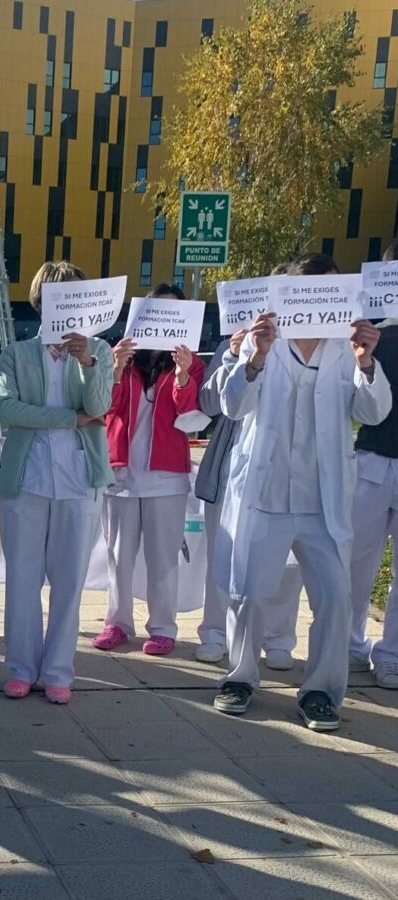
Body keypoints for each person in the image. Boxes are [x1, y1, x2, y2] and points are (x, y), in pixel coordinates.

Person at [215, 253, 389, 731]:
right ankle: (240, 678)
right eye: (314, 287)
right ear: (289, 292)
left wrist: (367, 363)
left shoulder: (346, 346)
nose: (323, 296)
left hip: (321, 499)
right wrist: (255, 356)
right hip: (265, 494)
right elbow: (231, 406)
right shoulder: (262, 339)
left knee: (336, 598)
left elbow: (373, 412)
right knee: (248, 592)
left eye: (332, 288)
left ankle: (320, 692)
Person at [0, 261, 114, 704]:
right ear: (42, 301)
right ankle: (21, 667)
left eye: (77, 297)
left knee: (69, 582)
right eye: (58, 297)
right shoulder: (19, 353)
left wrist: (87, 363)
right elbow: (7, 409)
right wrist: (68, 419)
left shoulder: (97, 349)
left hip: (79, 481)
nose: (67, 307)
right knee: (23, 580)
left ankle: (59, 670)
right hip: (27, 479)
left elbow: (99, 406)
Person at [94, 283, 205, 657]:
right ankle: (117, 621)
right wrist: (114, 368)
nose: (165, 318)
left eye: (174, 311)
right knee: (118, 554)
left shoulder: (192, 361)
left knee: (163, 557)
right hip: (122, 471)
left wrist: (183, 375)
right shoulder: (122, 357)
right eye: (159, 310)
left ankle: (162, 627)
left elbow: (188, 415)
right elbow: (104, 406)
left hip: (167, 474)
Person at [194, 322, 300, 669]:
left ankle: (278, 638)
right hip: (230, 464)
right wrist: (230, 355)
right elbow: (209, 404)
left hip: (283, 466)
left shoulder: (306, 346)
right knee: (223, 554)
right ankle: (214, 632)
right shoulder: (232, 344)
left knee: (286, 563)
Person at [349, 237, 398, 688]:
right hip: (372, 456)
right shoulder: (367, 328)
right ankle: (349, 645)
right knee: (357, 559)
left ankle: (392, 654)